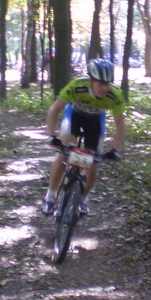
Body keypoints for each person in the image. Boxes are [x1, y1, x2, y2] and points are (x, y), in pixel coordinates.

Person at [41, 58, 126, 216]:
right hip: (74, 116)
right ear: (91, 80)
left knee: (93, 162)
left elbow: (120, 125)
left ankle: (82, 199)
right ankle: (50, 197)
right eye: (100, 83)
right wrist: (51, 135)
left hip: (95, 121)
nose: (104, 88)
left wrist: (116, 149)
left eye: (107, 83)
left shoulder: (115, 95)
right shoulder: (77, 85)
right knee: (64, 153)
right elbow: (54, 110)